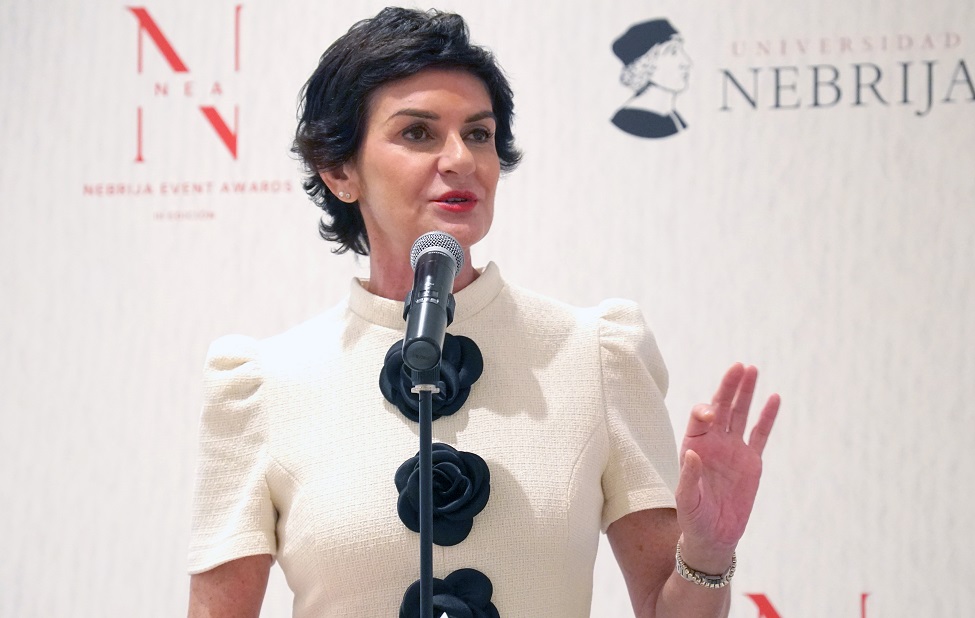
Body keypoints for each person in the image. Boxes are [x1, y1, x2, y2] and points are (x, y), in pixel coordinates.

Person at [186, 8, 779, 618]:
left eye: (478, 134)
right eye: (418, 133)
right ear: (339, 170)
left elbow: (663, 610)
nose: (461, 159)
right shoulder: (263, 386)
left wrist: (709, 552)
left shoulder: (597, 355)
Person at [611, 19, 693, 139]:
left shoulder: (670, 116)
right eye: (673, 52)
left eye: (681, 50)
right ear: (644, 64)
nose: (687, 62)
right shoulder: (634, 121)